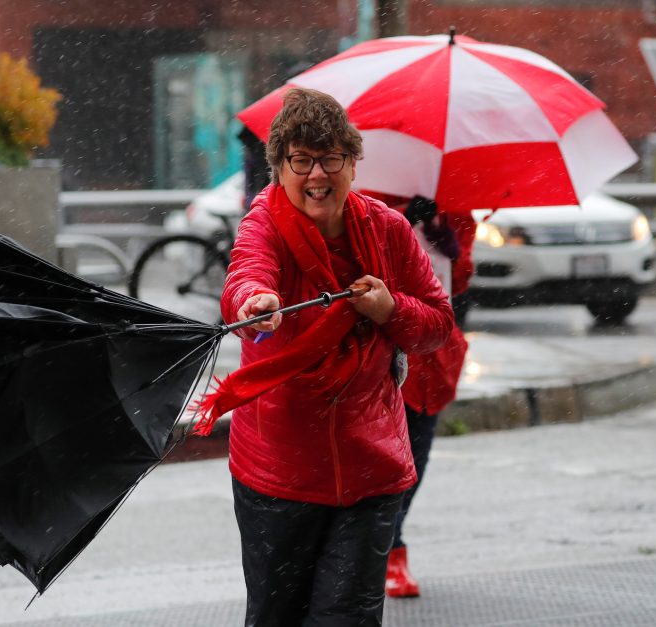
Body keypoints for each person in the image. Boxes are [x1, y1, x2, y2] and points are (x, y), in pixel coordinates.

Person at [193, 87, 454, 626]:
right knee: (277, 617)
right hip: (278, 475)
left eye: (331, 158)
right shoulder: (262, 225)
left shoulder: (388, 229)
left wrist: (389, 308)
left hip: (370, 470)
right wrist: (255, 302)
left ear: (353, 164)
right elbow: (246, 274)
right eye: (302, 160)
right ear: (279, 168)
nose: (318, 175)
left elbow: (437, 326)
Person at [386, 196, 469, 598]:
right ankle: (386, 548)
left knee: (416, 458)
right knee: (381, 461)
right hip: (386, 352)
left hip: (434, 360)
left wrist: (446, 239)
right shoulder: (369, 199)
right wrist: (401, 223)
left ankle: (389, 545)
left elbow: (460, 281)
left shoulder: (454, 202)